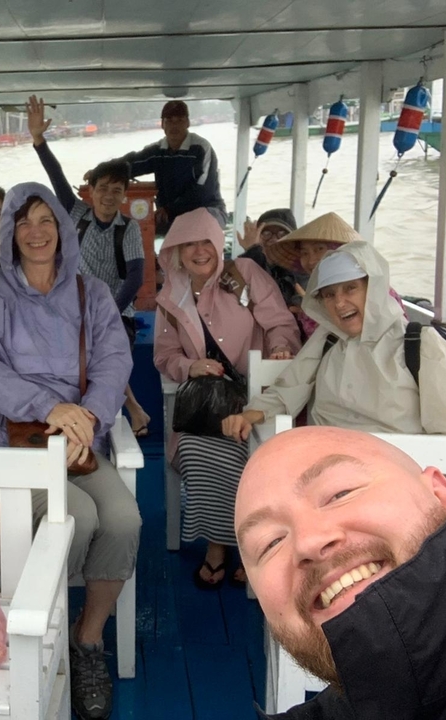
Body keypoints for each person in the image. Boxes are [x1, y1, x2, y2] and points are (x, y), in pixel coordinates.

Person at [0, 182, 141, 720]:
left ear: (63, 229)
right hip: (10, 438)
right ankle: (42, 632)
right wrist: (50, 407)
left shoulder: (92, 293)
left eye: (46, 220)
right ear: (9, 231)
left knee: (124, 520)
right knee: (77, 516)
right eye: (23, 222)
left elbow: (113, 362)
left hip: (79, 439)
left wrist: (87, 418)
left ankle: (87, 639)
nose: (35, 232)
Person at [235, 426, 446, 719]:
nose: (308, 542)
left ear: (441, 494)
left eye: (339, 493)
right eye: (269, 543)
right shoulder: (395, 686)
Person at [154, 208, 301, 588]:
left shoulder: (244, 273)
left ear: (219, 243)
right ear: (175, 250)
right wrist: (190, 366)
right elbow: (164, 355)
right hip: (207, 404)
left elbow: (280, 323)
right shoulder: (170, 297)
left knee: (248, 453)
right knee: (196, 448)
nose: (199, 251)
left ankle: (253, 542)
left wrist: (281, 348)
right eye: (188, 244)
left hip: (256, 399)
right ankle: (219, 545)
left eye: (206, 241)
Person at [223, 241, 446, 443]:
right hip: (324, 465)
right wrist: (247, 415)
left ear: (374, 287)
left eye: (350, 288)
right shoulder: (329, 339)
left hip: (393, 474)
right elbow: (290, 388)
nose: (339, 303)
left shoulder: (419, 344)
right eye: (329, 295)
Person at [27, 94, 151, 437]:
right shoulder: (76, 214)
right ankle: (128, 410)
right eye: (103, 188)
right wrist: (38, 140)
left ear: (124, 194)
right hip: (72, 307)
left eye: (116, 190)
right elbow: (56, 176)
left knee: (104, 352)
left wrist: (106, 312)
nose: (109, 196)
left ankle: (115, 416)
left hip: (115, 310)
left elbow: (135, 278)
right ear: (91, 191)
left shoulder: (128, 228)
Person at [262, 212, 407, 339]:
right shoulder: (314, 293)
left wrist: (314, 314)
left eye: (319, 249)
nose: (311, 260)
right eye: (305, 253)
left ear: (338, 251)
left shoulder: (376, 288)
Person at [103, 100, 227, 235]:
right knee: (133, 228)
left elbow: (204, 191)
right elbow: (131, 163)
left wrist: (169, 209)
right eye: (169, 121)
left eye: (179, 120)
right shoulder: (158, 151)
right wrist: (101, 171)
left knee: (197, 225)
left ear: (187, 123)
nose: (174, 126)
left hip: (207, 210)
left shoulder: (201, 149)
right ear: (162, 124)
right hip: (170, 214)